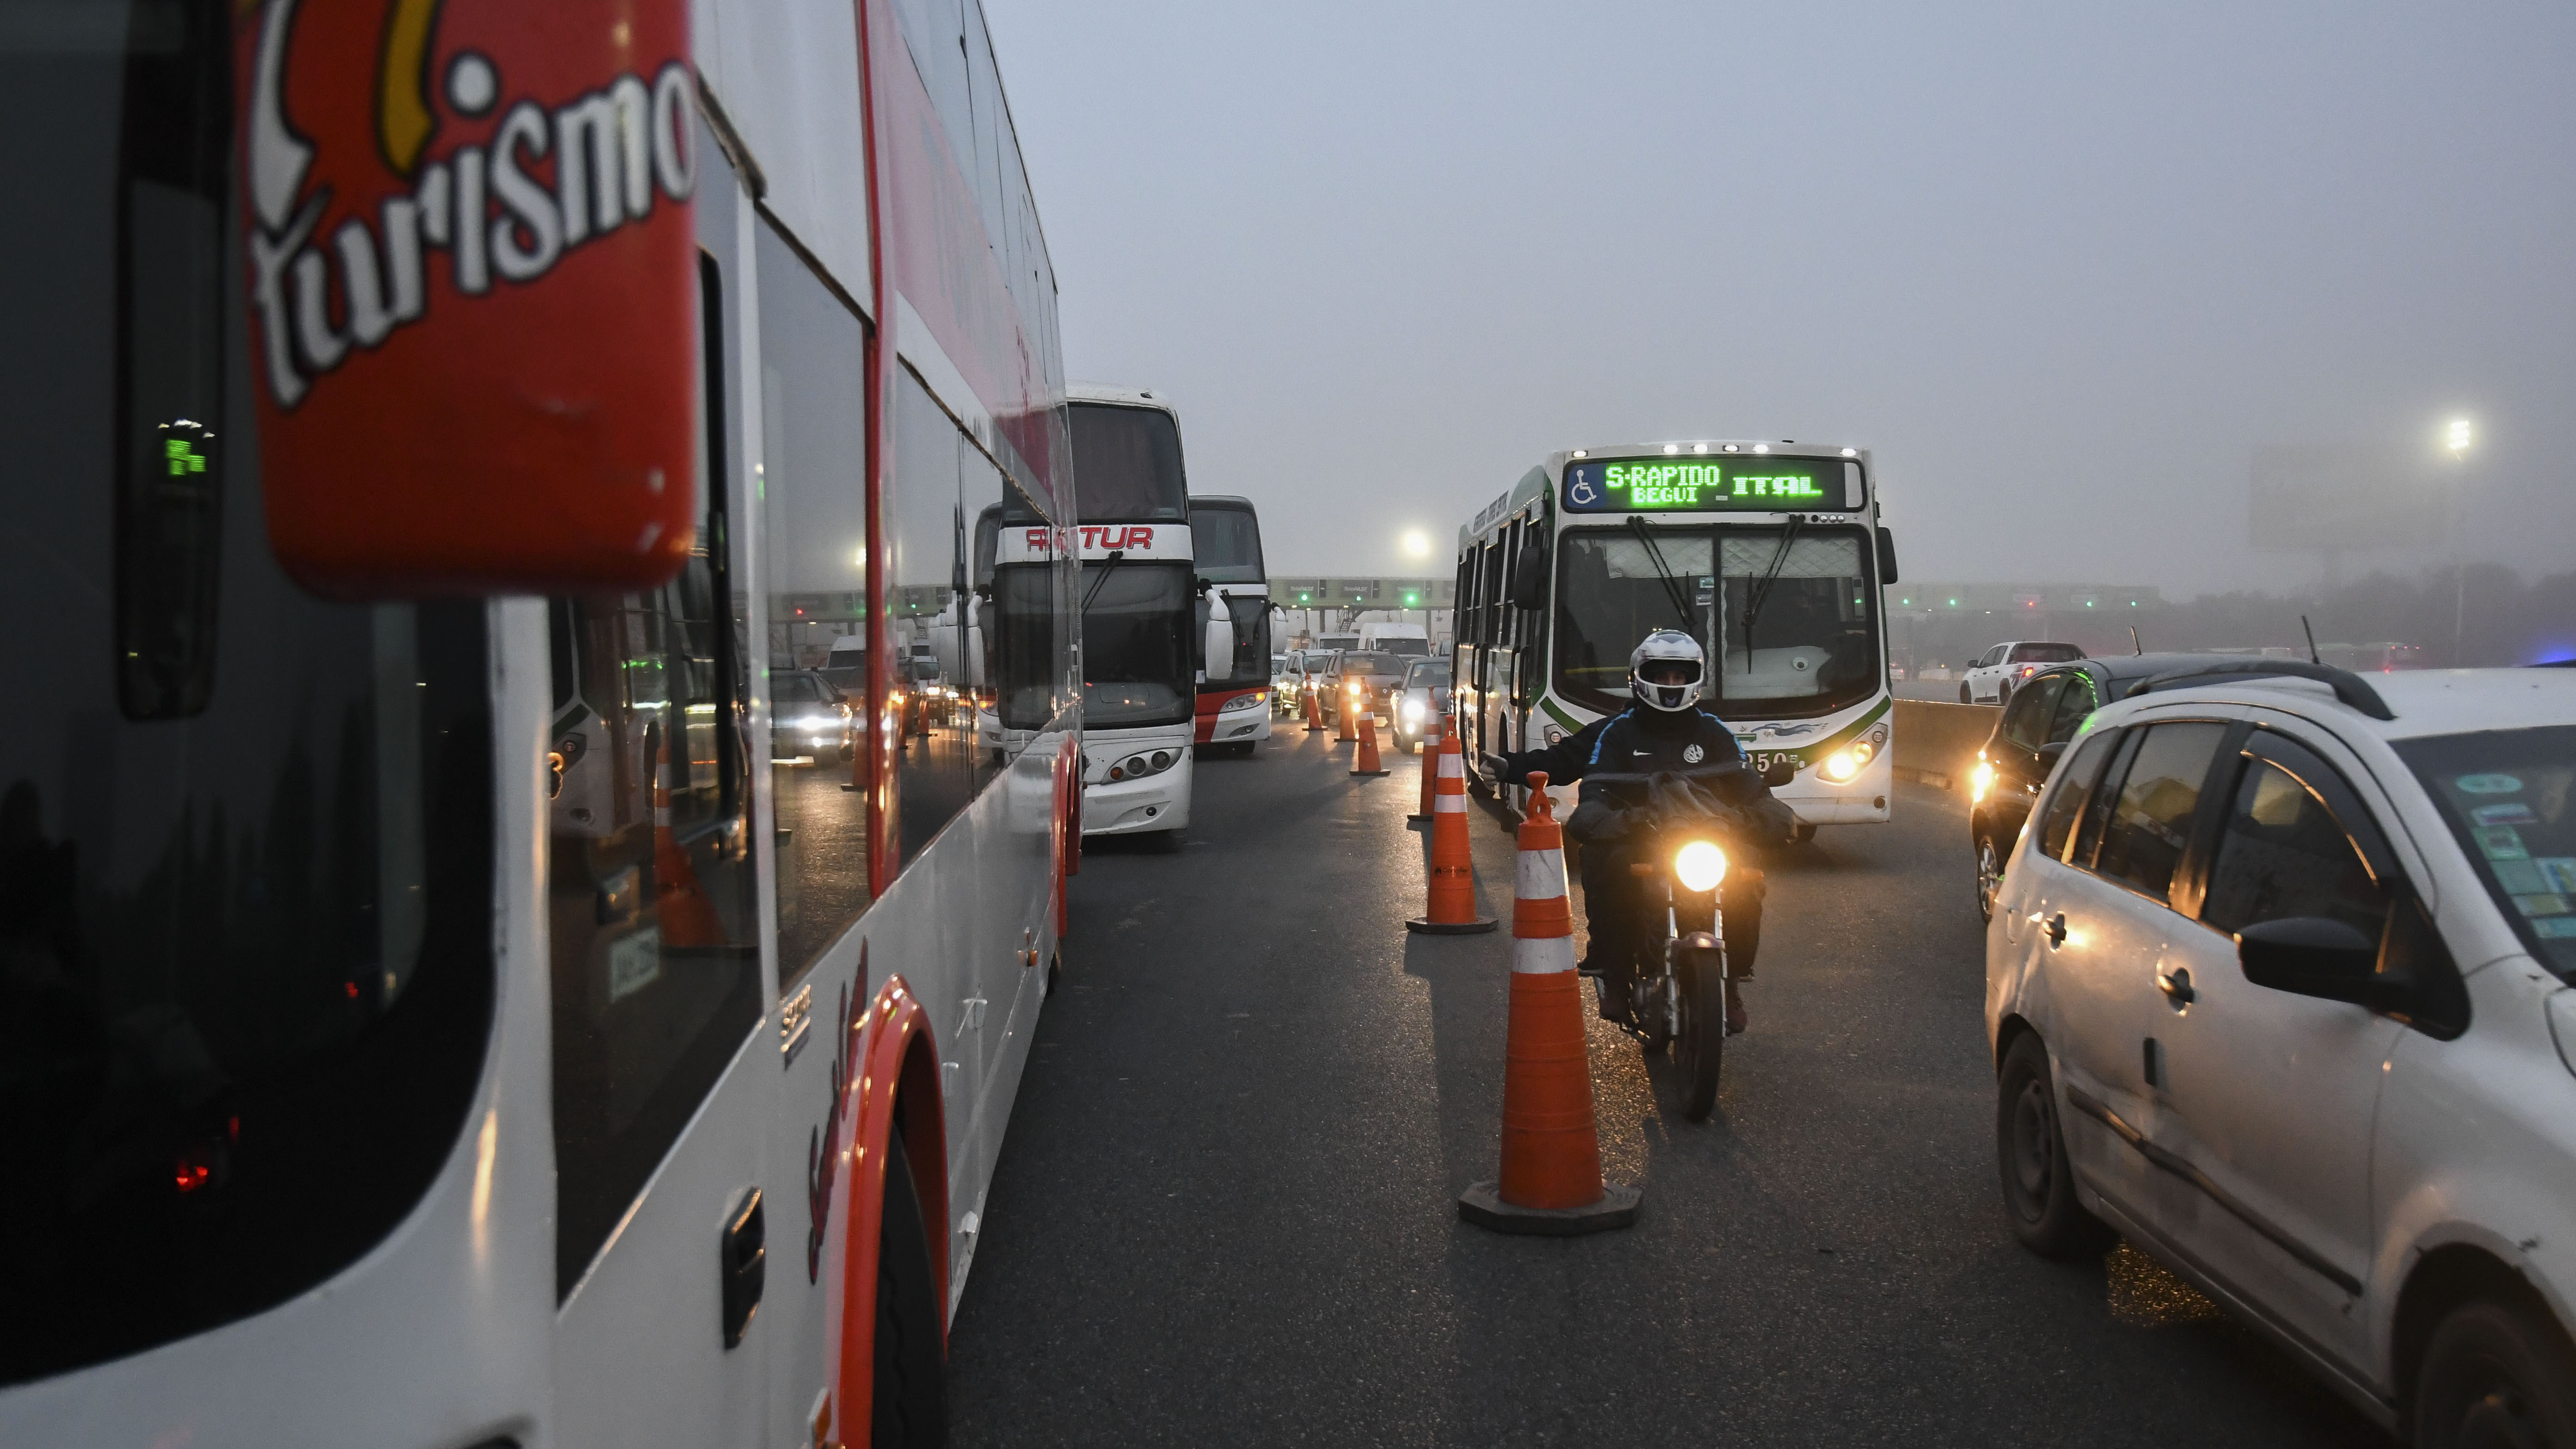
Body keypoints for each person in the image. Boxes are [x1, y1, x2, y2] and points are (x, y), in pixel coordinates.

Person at [1495, 629, 1792, 1033]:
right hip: (1641, 838)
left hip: (1703, 838)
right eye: (1663, 675)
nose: (1672, 684)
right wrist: (1609, 819)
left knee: (1746, 873)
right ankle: (1613, 970)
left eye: (1681, 676)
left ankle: (1732, 977)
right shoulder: (1617, 733)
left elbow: (1751, 788)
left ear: (1696, 679)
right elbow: (1584, 780)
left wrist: (1766, 815)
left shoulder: (1715, 733)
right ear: (1639, 677)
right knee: (1607, 864)